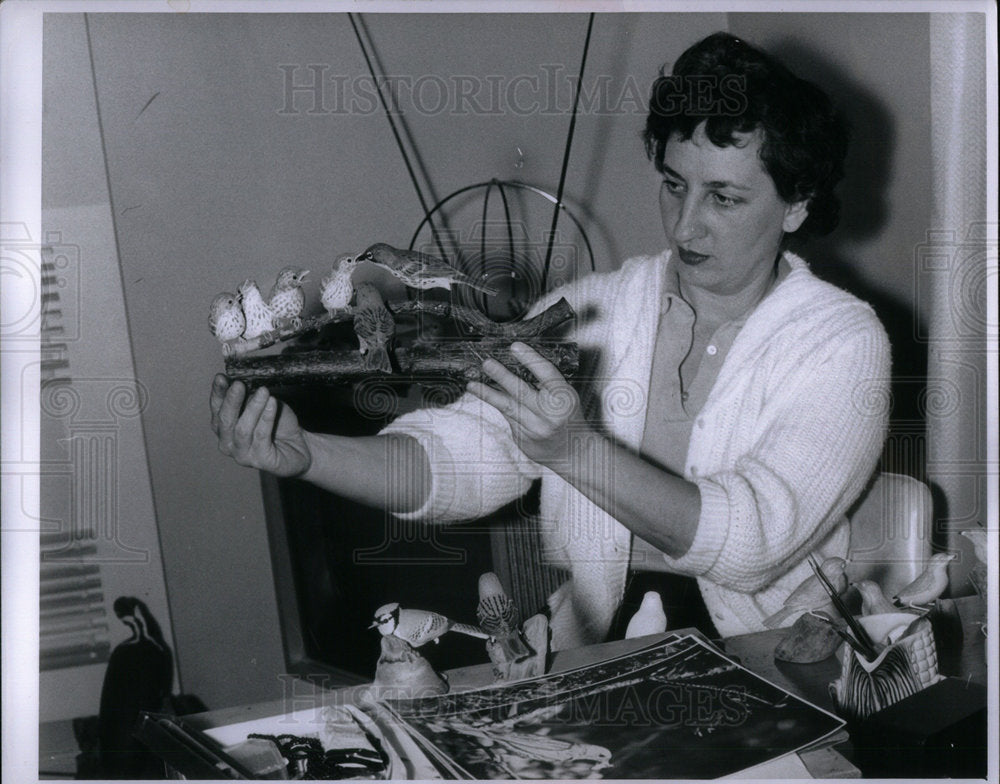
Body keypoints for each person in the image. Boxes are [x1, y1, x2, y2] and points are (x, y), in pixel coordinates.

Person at [210, 32, 890, 651]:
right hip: (595, 650)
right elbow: (464, 456)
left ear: (797, 204)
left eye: (725, 199)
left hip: (774, 659)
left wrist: (576, 453)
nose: (686, 228)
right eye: (675, 186)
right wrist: (308, 458)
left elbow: (753, 542)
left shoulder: (841, 342)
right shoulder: (590, 309)